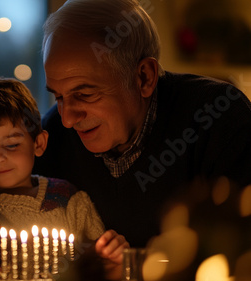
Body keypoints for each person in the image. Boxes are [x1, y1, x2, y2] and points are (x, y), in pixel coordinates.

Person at [33, 0, 251, 248]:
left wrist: (134, 265)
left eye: (85, 94)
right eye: (59, 97)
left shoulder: (220, 118)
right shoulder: (52, 137)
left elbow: (238, 253)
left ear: (144, 77)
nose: (68, 119)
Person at [0, 77, 129, 280]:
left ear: (39, 144)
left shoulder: (68, 200)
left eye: (12, 145)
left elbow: (97, 266)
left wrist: (111, 260)